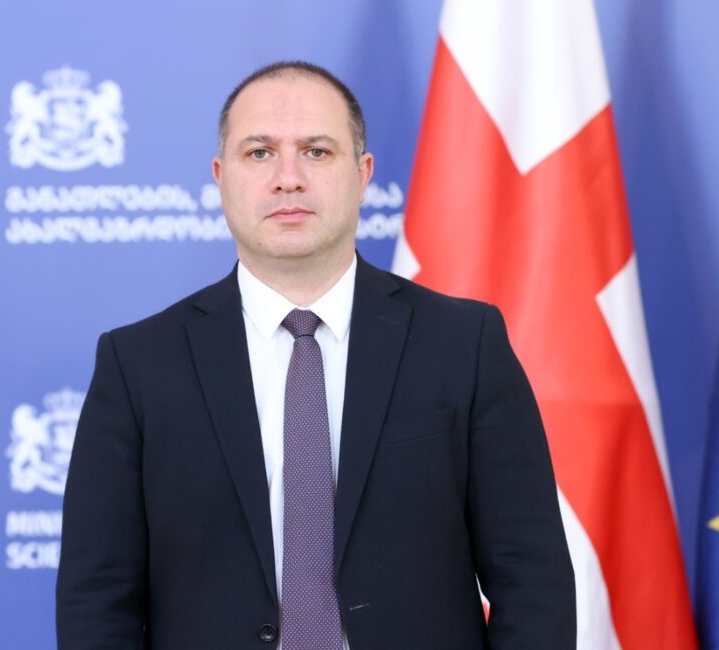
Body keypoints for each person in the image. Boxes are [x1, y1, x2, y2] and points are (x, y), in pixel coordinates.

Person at [56, 61, 575, 650]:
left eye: (317, 152)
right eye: (259, 153)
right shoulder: (137, 364)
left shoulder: (465, 344)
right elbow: (96, 601)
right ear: (221, 177)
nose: (288, 178)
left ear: (363, 174)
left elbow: (533, 581)